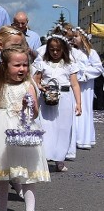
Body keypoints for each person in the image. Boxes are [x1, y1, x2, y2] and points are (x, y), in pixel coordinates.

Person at [0, 45, 50, 211]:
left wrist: (28, 105)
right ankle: (2, 210)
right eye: (17, 65)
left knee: (27, 173)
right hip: (0, 130)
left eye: (25, 65)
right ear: (5, 66)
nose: (22, 69)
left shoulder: (29, 85)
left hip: (22, 131)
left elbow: (35, 114)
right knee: (2, 174)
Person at [34, 33, 82, 172]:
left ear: (63, 50)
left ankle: (59, 158)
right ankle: (44, 157)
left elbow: (75, 85)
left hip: (65, 99)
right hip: (47, 98)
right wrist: (41, 86)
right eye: (52, 50)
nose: (55, 53)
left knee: (63, 129)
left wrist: (78, 103)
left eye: (58, 50)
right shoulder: (43, 64)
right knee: (47, 128)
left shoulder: (69, 65)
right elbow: (35, 80)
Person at [72, 29, 102, 149]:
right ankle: (74, 137)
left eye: (76, 36)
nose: (74, 38)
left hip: (86, 85)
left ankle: (84, 138)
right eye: (73, 36)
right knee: (74, 108)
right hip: (75, 84)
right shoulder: (73, 52)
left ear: (83, 38)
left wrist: (84, 74)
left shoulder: (91, 53)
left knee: (85, 109)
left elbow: (98, 68)